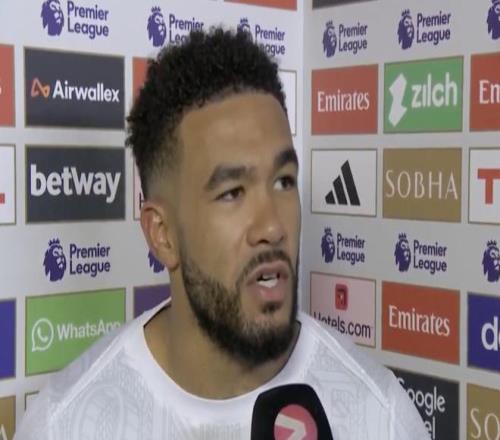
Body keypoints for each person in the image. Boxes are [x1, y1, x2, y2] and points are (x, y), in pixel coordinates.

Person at [15, 28, 429, 439]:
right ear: (162, 235)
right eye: (232, 193)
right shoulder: (65, 425)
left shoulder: (380, 414)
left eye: (284, 181)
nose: (272, 227)